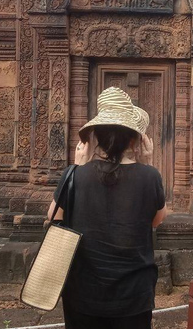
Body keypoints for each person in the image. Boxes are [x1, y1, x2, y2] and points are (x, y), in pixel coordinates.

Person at [47, 87, 167, 329]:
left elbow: (53, 216)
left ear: (96, 137)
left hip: (83, 290)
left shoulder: (76, 175)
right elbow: (156, 221)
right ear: (134, 139)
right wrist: (148, 163)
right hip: (133, 292)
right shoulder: (150, 176)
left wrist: (76, 167)